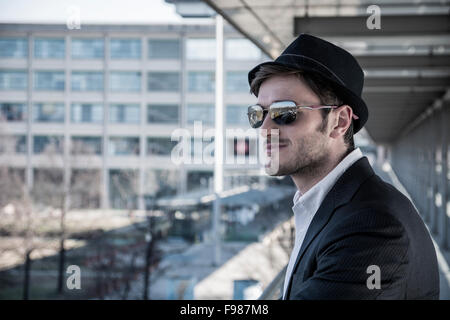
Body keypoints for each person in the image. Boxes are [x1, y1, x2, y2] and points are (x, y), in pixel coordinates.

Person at [247, 34, 439, 299]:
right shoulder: (332, 206)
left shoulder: (373, 227)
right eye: (258, 114)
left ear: (339, 122)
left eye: (284, 112)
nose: (265, 129)